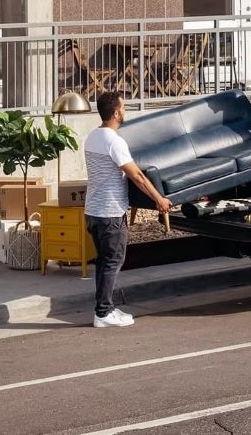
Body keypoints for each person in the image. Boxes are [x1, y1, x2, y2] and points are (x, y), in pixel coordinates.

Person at [84, 91, 171, 328]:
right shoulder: (114, 141)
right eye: (123, 107)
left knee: (104, 261)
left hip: (93, 211)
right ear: (115, 112)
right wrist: (159, 199)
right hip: (110, 212)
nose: (125, 111)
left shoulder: (92, 136)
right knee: (113, 261)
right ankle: (103, 313)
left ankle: (106, 308)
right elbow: (138, 176)